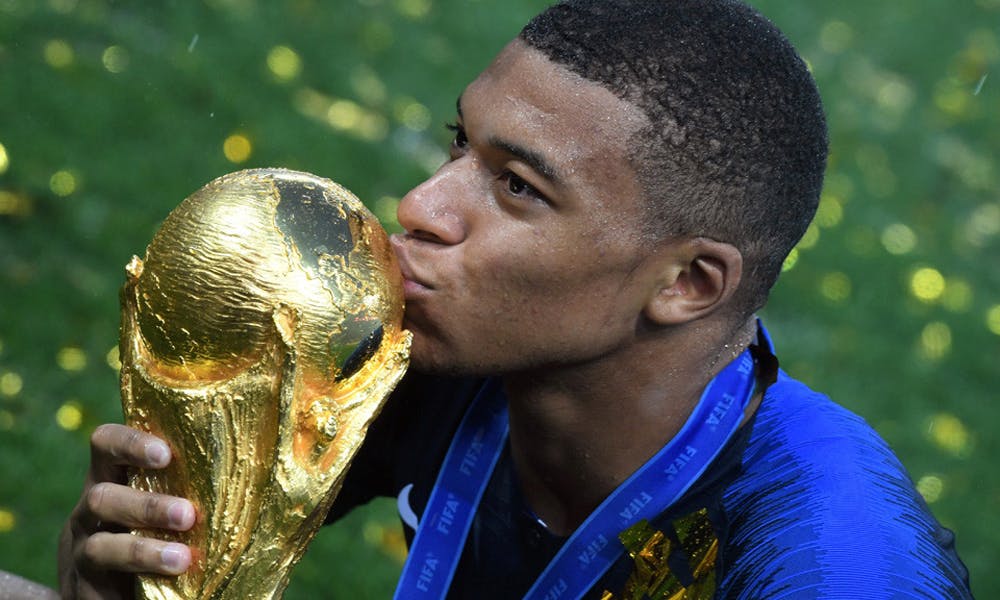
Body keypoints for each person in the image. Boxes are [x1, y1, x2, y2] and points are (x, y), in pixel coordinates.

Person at [59, 0, 973, 598]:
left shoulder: (834, 564)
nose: (421, 206)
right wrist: (123, 565)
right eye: (461, 143)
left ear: (686, 284)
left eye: (517, 187)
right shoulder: (418, 346)